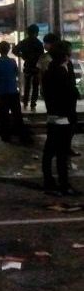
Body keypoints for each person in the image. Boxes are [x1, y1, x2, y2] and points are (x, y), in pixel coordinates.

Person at [42, 41, 81, 196]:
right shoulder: (59, 72)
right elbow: (70, 93)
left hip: (54, 115)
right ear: (65, 55)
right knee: (61, 153)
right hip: (62, 116)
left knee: (50, 151)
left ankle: (50, 181)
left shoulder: (52, 71)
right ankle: (63, 184)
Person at [0, 41, 31, 143]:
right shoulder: (12, 62)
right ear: (8, 49)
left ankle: (5, 135)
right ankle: (21, 135)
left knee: (3, 115)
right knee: (17, 114)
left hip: (2, 91)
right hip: (13, 90)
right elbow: (17, 73)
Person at [12, 24, 44, 111]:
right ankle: (33, 104)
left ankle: (25, 102)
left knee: (27, 85)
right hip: (36, 67)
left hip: (28, 66)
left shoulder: (24, 42)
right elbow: (41, 56)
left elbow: (14, 50)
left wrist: (22, 55)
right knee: (35, 86)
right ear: (36, 33)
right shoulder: (39, 43)